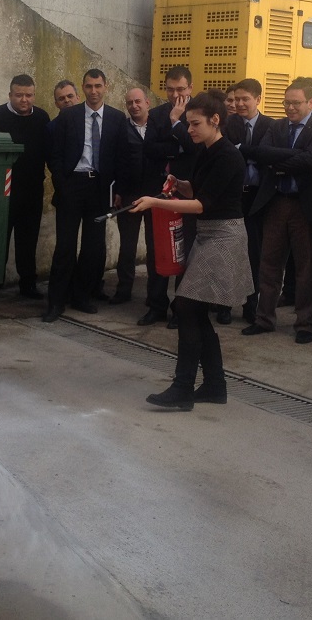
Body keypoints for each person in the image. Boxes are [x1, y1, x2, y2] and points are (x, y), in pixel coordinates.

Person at [130, 90, 250, 410]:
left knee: (185, 306)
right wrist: (179, 183)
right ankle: (214, 385)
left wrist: (156, 201)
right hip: (209, 234)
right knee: (191, 309)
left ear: (215, 121)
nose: (190, 129)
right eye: (188, 123)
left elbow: (202, 204)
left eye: (195, 124)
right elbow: (199, 191)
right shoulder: (207, 150)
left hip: (223, 236)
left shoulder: (227, 154)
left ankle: (184, 388)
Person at [241, 77, 312, 343]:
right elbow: (262, 153)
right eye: (286, 102)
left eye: (296, 103)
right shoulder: (276, 126)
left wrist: (282, 160)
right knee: (269, 264)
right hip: (276, 203)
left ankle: (305, 324)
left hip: (306, 207)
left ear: (311, 101)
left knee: (307, 266)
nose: (290, 108)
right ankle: (264, 319)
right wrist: (294, 161)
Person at [43, 69, 132, 323]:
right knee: (65, 247)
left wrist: (118, 191)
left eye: (98, 86)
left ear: (106, 87)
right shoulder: (68, 116)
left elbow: (122, 157)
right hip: (72, 185)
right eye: (89, 86)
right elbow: (56, 154)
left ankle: (82, 296)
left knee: (93, 247)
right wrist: (61, 183)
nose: (94, 91)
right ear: (83, 88)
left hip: (100, 188)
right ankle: (55, 302)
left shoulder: (116, 118)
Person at [0, 74, 51, 299]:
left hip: (32, 190)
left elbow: (49, 152)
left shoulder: (42, 118)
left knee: (28, 240)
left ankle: (28, 284)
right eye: (19, 95)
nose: (24, 100)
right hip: (1, 193)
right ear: (10, 95)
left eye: (28, 95)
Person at [137, 66, 199, 329]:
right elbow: (150, 148)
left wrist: (176, 124)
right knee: (157, 251)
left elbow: (196, 150)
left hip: (188, 193)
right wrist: (178, 145)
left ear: (190, 88)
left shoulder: (200, 113)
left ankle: (181, 308)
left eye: (181, 89)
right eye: (170, 89)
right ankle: (156, 305)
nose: (175, 94)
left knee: (186, 252)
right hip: (159, 193)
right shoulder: (156, 114)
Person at [224, 78, 272, 325]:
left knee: (255, 253)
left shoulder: (271, 127)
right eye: (236, 99)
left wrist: (242, 149)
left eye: (245, 99)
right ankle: (223, 304)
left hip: (258, 197)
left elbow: (267, 156)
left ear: (258, 99)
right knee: (228, 251)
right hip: (232, 196)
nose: (240, 104)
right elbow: (225, 153)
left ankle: (251, 306)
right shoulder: (226, 123)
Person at [110, 87, 152, 306]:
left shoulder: (159, 127)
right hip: (129, 194)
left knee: (155, 247)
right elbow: (117, 162)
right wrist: (118, 192)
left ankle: (155, 294)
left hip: (156, 195)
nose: (134, 106)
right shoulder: (121, 128)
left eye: (138, 102)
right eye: (129, 103)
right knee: (127, 246)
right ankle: (123, 290)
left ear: (147, 103)